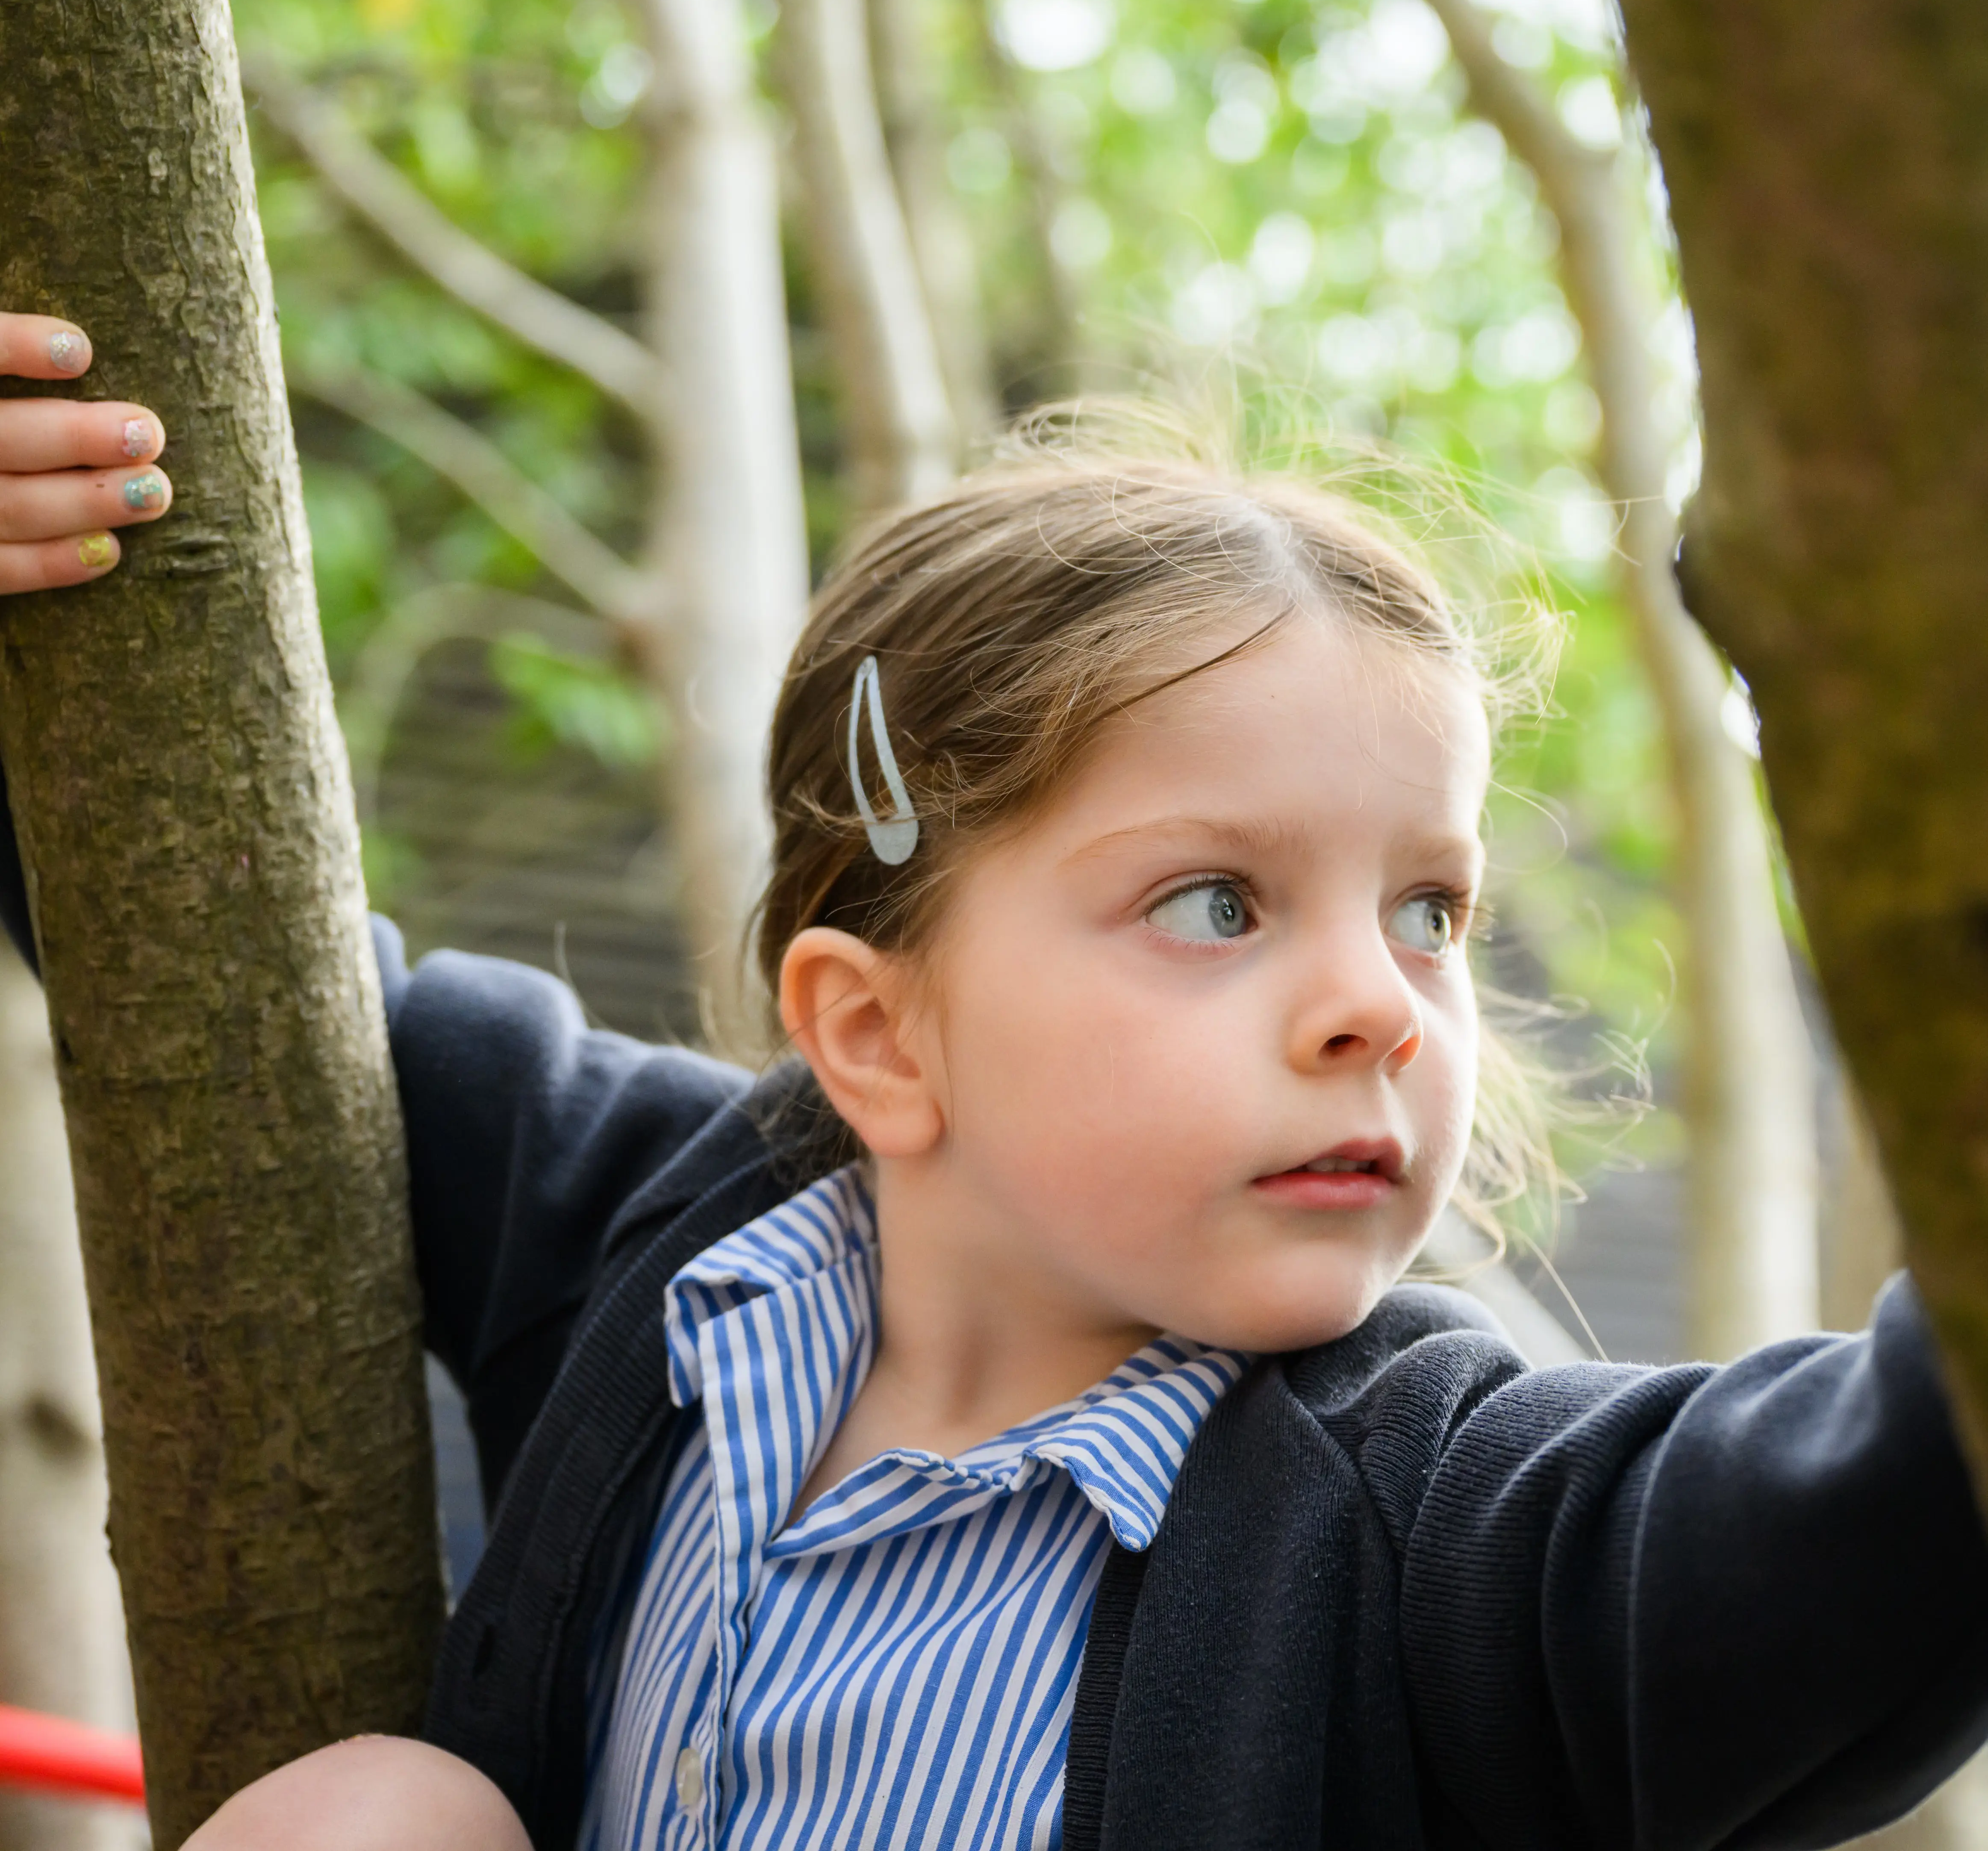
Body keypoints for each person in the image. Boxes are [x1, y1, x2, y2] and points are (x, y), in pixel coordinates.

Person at [0, 310, 1983, 1851]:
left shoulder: (1445, 1525)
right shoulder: (662, 1242)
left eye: (1429, 910)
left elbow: (1900, 1498)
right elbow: (196, 964)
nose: (1378, 1002)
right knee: (384, 1807)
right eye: (1219, 901)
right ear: (873, 1029)